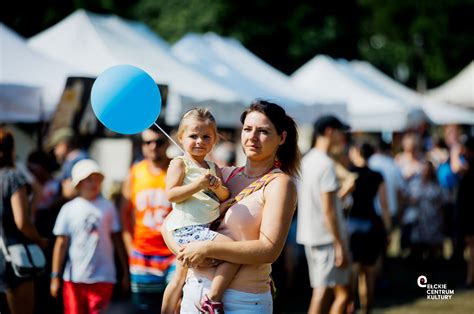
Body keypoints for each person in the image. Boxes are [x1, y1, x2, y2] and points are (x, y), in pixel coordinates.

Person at [162, 100, 299, 313]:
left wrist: (207, 248)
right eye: (247, 129)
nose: (252, 137)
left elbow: (268, 250)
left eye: (263, 131)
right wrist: (182, 248)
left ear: (281, 138)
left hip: (243, 300)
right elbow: (173, 219)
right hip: (194, 292)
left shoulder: (280, 184)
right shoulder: (221, 175)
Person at [162, 108, 236, 313]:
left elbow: (223, 195)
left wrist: (217, 187)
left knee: (179, 278)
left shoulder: (213, 167)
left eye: (206, 137)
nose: (199, 141)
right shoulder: (180, 163)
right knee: (235, 251)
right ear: (181, 137)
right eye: (193, 136)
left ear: (214, 141)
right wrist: (198, 185)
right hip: (188, 227)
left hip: (204, 226)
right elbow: (171, 194)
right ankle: (213, 299)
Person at [50, 159, 129, 313]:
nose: (94, 184)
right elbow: (61, 244)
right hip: (74, 278)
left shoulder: (108, 207)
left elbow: (116, 239)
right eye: (88, 180)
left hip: (103, 277)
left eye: (97, 179)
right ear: (78, 183)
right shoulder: (68, 209)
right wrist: (55, 276)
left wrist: (125, 272)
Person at [297, 115, 351, 314]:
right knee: (327, 293)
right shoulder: (326, 164)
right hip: (326, 236)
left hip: (311, 234)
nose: (342, 136)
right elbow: (328, 209)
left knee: (327, 291)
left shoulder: (307, 160)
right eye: (340, 131)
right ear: (329, 131)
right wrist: (339, 243)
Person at [121, 127, 175, 313]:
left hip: (173, 253)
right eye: (148, 142)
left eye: (159, 142)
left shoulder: (176, 170)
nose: (153, 146)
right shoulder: (135, 172)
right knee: (145, 308)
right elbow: (124, 215)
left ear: (167, 143)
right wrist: (131, 250)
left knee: (175, 305)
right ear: (142, 146)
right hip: (142, 254)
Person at [0, 129, 49, 314]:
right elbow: (22, 222)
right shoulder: (12, 178)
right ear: (12, 151)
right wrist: (39, 240)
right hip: (13, 259)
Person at [348, 142, 390, 314]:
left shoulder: (350, 174)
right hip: (373, 223)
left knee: (354, 271)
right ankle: (367, 309)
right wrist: (388, 230)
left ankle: (349, 306)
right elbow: (384, 205)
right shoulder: (377, 175)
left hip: (354, 223)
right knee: (369, 272)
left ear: (357, 151)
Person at [47, 127, 89, 200]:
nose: (55, 152)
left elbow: (71, 191)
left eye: (56, 147)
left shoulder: (78, 160)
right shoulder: (71, 161)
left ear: (64, 145)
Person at [456, 136, 474, 287]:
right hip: (468, 211)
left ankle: (470, 277)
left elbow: (456, 167)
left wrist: (455, 150)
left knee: (472, 245)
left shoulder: (469, 165)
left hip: (469, 212)